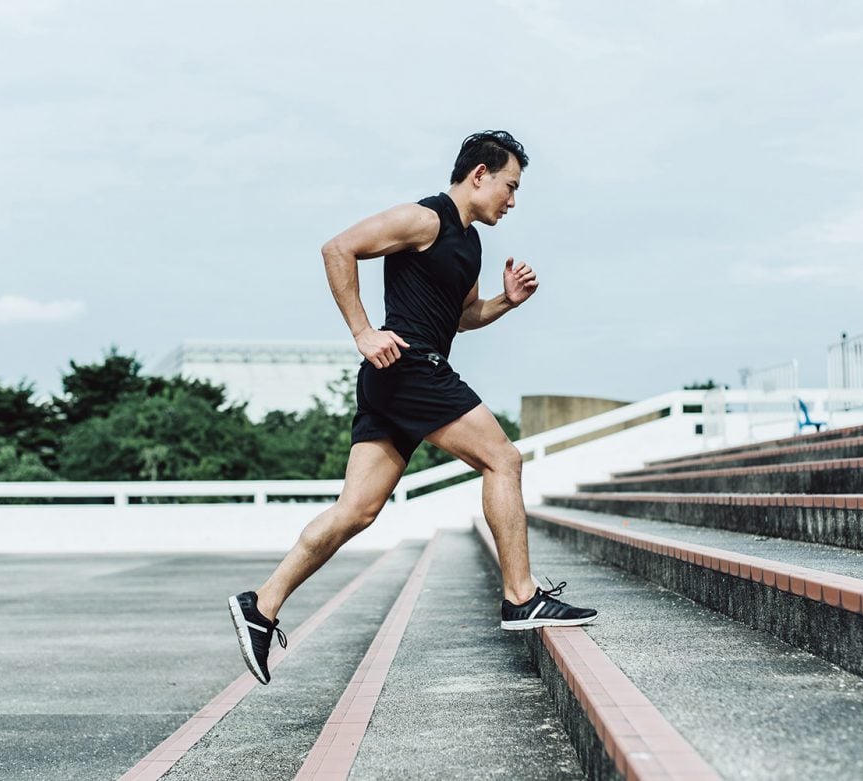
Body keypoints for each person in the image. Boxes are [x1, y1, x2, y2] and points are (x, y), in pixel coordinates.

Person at [228, 130, 597, 684]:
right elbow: (337, 249)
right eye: (510, 186)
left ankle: (261, 606)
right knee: (504, 460)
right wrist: (362, 331)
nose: (513, 201)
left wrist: (505, 303)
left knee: (356, 510)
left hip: (398, 377)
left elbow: (463, 317)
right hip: (407, 367)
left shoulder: (470, 245)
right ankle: (521, 598)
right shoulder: (424, 219)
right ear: (480, 174)